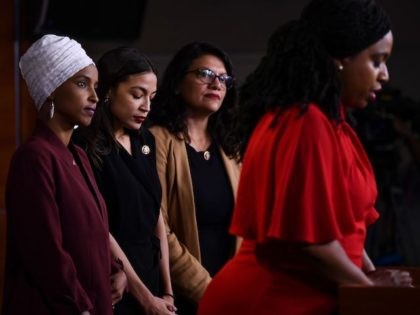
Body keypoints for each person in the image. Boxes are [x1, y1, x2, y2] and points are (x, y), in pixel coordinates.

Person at [198, 1, 413, 314]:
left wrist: (369, 275)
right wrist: (370, 289)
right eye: (377, 61)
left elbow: (348, 233)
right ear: (342, 58)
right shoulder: (304, 122)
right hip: (270, 301)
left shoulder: (333, 123)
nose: (385, 76)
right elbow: (310, 242)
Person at [3, 34, 124, 315]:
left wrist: (116, 270)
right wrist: (81, 307)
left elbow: (94, 231)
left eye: (96, 86)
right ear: (52, 89)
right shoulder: (34, 158)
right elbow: (46, 255)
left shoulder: (77, 155)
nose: (95, 96)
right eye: (82, 84)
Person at [75, 47, 175, 315]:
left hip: (152, 275)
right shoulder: (84, 145)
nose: (147, 107)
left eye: (151, 97)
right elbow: (100, 227)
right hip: (116, 279)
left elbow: (157, 216)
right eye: (137, 95)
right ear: (108, 91)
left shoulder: (146, 140)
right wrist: (145, 299)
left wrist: (167, 291)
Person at [147, 41, 241, 314]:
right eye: (205, 74)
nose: (217, 84)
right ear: (177, 83)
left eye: (223, 78)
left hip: (232, 293)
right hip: (182, 296)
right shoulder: (157, 140)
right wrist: (206, 290)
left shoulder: (231, 150)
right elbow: (159, 228)